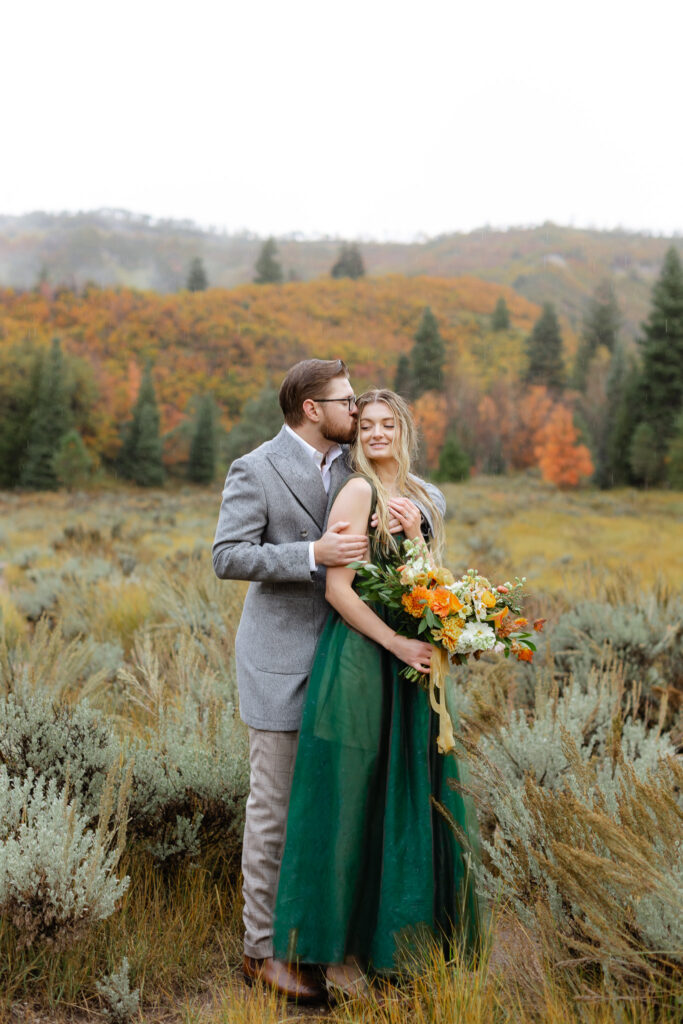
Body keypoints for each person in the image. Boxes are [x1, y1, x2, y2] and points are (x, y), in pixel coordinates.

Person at [212, 362, 443, 1003]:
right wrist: (312, 555)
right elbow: (227, 555)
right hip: (283, 666)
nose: (356, 410)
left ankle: (326, 942)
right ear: (313, 409)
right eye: (346, 402)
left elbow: (412, 506)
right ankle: (262, 952)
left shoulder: (353, 469)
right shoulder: (254, 469)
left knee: (340, 810)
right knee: (276, 812)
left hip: (355, 667)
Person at [273, 389, 482, 999]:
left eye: (389, 424)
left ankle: (396, 947)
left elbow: (431, 582)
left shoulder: (420, 498)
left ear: (406, 431)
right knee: (352, 799)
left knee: (406, 798)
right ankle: (337, 959)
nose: (377, 434)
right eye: (366, 425)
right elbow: (338, 589)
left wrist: (418, 534)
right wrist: (393, 642)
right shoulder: (357, 491)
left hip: (414, 665)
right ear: (356, 433)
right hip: (366, 660)